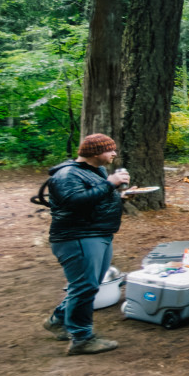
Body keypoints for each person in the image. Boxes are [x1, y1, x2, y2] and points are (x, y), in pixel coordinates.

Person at [43, 133, 128, 355]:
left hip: (99, 233)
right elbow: (73, 202)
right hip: (77, 236)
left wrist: (119, 195)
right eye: (110, 149)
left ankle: (58, 320)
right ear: (96, 152)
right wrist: (110, 185)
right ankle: (81, 339)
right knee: (84, 287)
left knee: (89, 285)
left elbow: (94, 198)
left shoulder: (96, 171)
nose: (114, 153)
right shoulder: (67, 174)